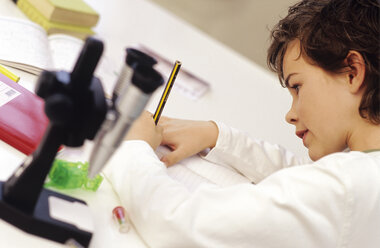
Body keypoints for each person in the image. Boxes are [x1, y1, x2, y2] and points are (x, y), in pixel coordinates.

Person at [105, 0, 380, 247]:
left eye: (297, 87)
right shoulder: (361, 175)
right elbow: (309, 178)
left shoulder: (348, 188)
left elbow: (180, 225)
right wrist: (219, 136)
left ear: (352, 72)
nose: (290, 114)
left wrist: (134, 147)